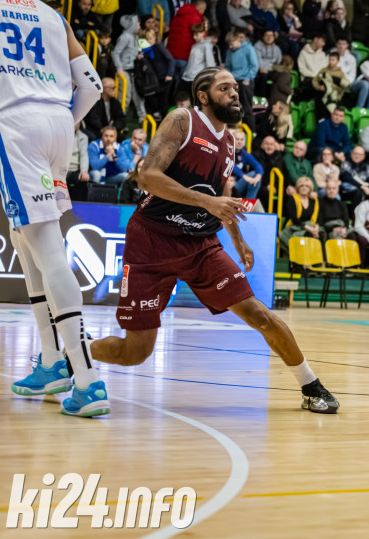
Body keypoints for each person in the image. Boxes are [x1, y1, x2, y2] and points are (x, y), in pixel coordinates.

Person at [90, 68, 339, 412]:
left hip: (200, 244)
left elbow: (222, 198)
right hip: (152, 242)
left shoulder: (229, 142)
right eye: (225, 88)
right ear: (203, 96)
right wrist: (208, 202)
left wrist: (237, 239)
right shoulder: (183, 121)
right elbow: (147, 177)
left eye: (235, 87)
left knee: (258, 314)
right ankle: (77, 350)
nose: (235, 93)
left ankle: (311, 386)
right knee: (135, 353)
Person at [0, 0, 107, 415]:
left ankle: (86, 379)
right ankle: (49, 361)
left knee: (46, 247)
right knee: (23, 238)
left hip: (14, 125)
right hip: (59, 125)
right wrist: (64, 121)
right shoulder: (52, 15)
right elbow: (94, 86)